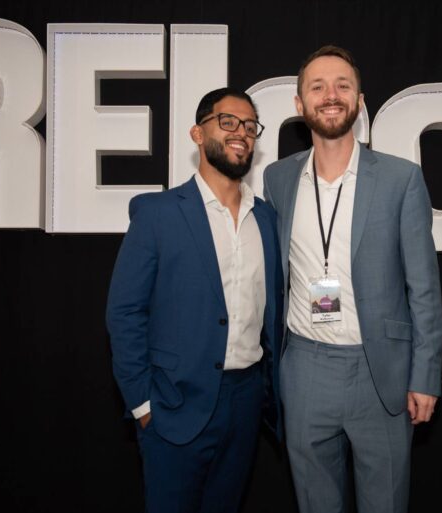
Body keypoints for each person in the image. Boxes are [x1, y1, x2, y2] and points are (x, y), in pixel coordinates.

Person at [263, 46, 442, 513]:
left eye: (342, 86)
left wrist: (425, 375)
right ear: (299, 104)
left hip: (381, 372)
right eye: (317, 87)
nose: (331, 95)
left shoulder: (401, 179)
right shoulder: (277, 179)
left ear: (360, 101)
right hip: (304, 370)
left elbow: (424, 288)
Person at [106, 87, 282, 513]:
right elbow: (125, 312)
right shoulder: (158, 213)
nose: (241, 132)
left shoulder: (266, 218)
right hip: (174, 405)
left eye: (250, 126)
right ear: (197, 134)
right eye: (227, 121)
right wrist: (143, 404)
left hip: (246, 404)